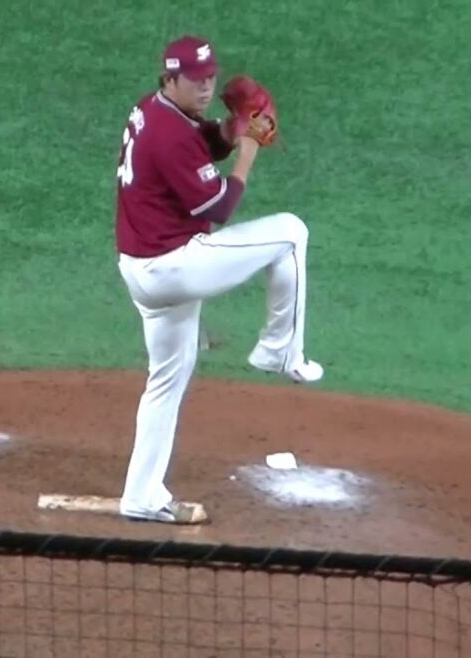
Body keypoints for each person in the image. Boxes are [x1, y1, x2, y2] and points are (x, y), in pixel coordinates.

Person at [113, 35, 324, 525]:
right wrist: (248, 148)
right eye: (195, 80)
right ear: (170, 79)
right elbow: (220, 206)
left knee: (167, 380)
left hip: (143, 269)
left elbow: (197, 144)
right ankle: (278, 350)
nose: (207, 87)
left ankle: (141, 495)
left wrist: (231, 129)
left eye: (210, 78)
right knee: (291, 233)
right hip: (174, 266)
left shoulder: (154, 110)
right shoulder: (167, 133)